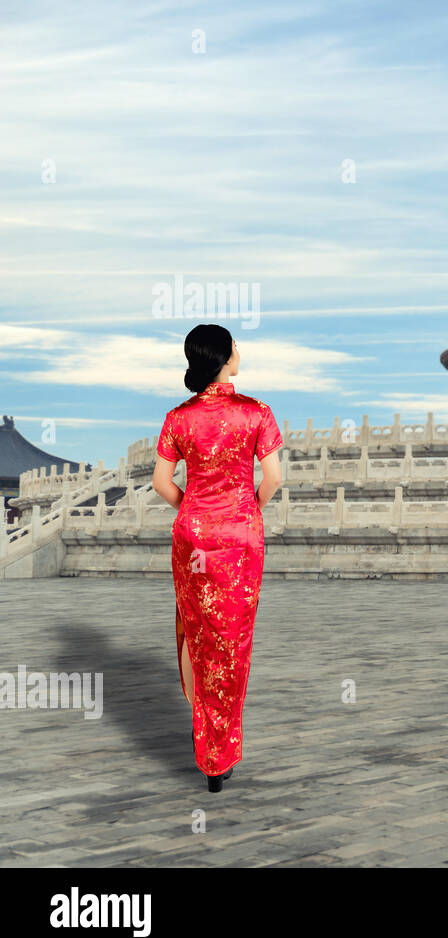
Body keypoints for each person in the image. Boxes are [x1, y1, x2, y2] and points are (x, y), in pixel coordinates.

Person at [152, 324, 283, 792]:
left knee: (197, 630)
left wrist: (195, 508)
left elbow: (161, 484)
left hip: (194, 537)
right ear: (229, 356)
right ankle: (221, 751)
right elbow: (272, 480)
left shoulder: (177, 417)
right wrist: (245, 511)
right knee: (233, 639)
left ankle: (202, 733)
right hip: (240, 537)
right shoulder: (257, 412)